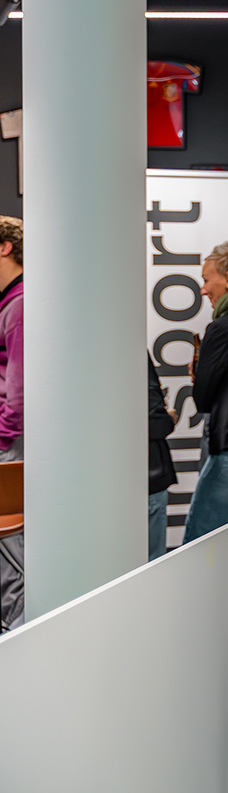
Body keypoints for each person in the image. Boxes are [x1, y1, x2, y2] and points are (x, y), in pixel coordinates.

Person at [184, 241, 228, 542]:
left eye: (206, 279)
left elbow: (203, 399)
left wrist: (199, 374)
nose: (202, 290)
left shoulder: (222, 328)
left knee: (202, 542)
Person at [0, 216, 23, 629]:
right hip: (10, 440)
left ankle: (19, 639)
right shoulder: (11, 302)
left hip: (11, 443)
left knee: (12, 550)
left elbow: (20, 390)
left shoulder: (20, 305)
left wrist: (2, 437)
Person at [147, 358, 179, 561]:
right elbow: (154, 422)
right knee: (151, 564)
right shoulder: (133, 354)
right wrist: (169, 418)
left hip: (103, 485)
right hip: (148, 478)